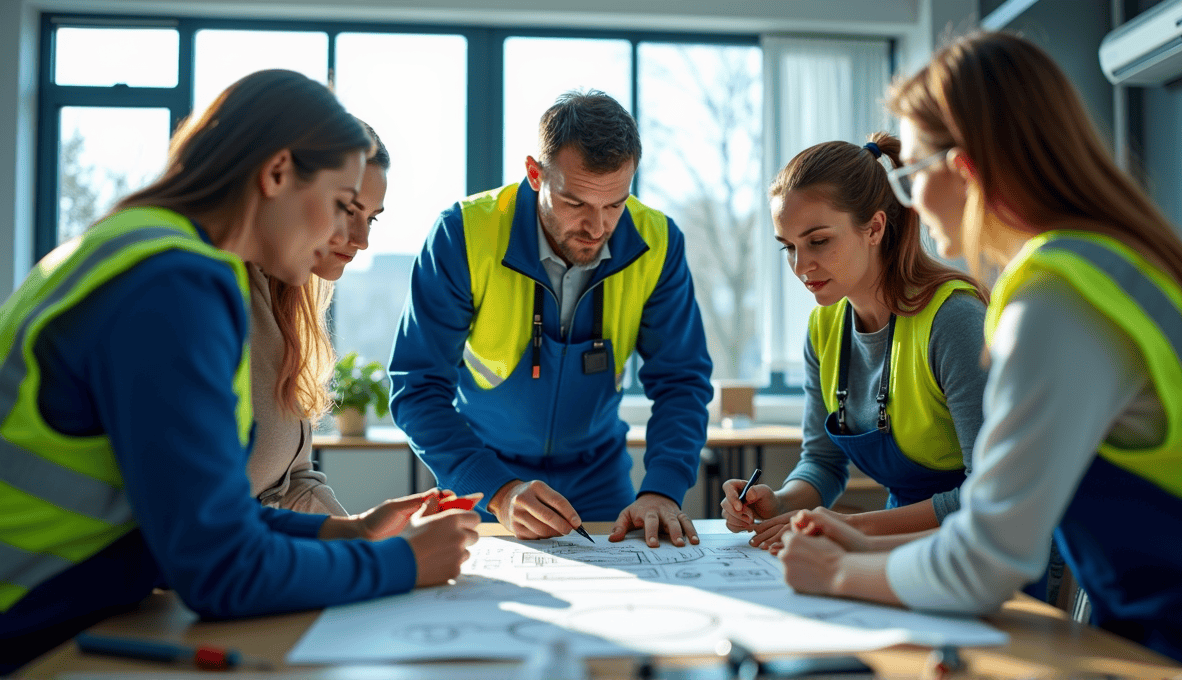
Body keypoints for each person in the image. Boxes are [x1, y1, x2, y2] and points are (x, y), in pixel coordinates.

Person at [0, 70, 479, 673]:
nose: (343, 235)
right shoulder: (175, 284)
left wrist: (350, 533)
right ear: (277, 173)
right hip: (28, 636)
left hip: (58, 619)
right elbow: (218, 570)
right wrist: (407, 565)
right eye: (338, 204)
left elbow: (202, 506)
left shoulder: (143, 250)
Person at [777, 32, 1182, 666]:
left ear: (964, 170)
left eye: (912, 174)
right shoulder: (1119, 263)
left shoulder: (1052, 297)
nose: (908, 199)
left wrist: (835, 572)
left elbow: (987, 561)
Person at [390, 89, 714, 547]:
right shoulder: (462, 234)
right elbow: (417, 387)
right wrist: (499, 491)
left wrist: (663, 488)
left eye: (615, 204)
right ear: (535, 174)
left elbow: (681, 381)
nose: (598, 228)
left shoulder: (659, 242)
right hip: (483, 474)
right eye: (576, 203)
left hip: (600, 475)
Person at [721, 133, 989, 551]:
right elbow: (822, 464)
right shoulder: (823, 327)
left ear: (875, 228)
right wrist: (777, 503)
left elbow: (988, 493)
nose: (800, 265)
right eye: (788, 247)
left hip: (985, 551)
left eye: (818, 241)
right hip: (895, 543)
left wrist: (853, 525)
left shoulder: (953, 321)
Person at [245, 121, 389, 516]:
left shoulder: (283, 299)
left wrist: (363, 537)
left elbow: (291, 483)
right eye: (347, 209)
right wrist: (375, 557)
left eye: (372, 218)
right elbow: (207, 518)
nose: (362, 239)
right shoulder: (210, 292)